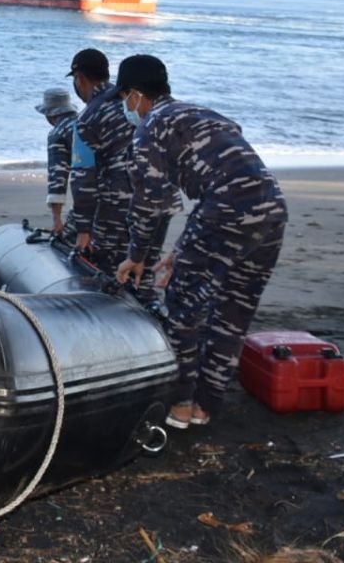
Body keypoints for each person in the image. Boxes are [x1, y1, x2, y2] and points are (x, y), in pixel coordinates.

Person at [113, 54, 288, 429]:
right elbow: (225, 173)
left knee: (182, 306)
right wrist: (182, 249)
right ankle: (205, 406)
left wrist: (137, 256)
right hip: (272, 209)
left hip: (224, 210)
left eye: (124, 96)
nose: (126, 106)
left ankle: (178, 405)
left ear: (136, 95)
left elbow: (150, 202)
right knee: (234, 310)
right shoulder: (204, 113)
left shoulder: (151, 128)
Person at [68, 47, 174, 287]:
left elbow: (83, 179)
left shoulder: (88, 117)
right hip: (162, 200)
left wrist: (83, 230)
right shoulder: (149, 107)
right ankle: (147, 311)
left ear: (79, 79)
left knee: (113, 270)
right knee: (144, 265)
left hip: (117, 206)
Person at [34, 86, 78, 235]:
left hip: (91, 196)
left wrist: (57, 220)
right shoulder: (87, 121)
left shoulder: (58, 133)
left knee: (70, 237)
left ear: (49, 114)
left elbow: (57, 178)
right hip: (120, 188)